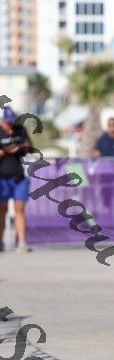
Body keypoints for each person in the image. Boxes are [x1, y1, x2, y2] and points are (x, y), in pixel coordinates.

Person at [0, 106, 33, 252]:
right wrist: (6, 150)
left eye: (11, 121)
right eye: (7, 121)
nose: (10, 124)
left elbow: (29, 146)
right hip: (2, 178)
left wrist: (20, 147)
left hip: (19, 176)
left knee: (19, 209)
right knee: (2, 210)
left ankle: (22, 242)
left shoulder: (20, 129)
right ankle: (0, 241)